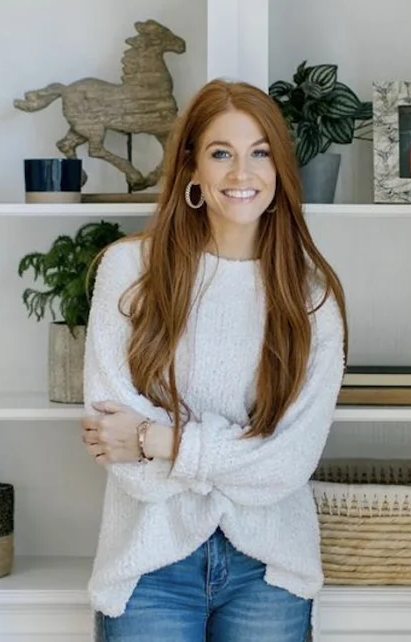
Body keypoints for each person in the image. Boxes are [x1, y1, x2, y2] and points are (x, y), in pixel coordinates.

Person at [78, 78, 349, 642]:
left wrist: (160, 440)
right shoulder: (130, 272)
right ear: (192, 169)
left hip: (269, 569)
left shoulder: (312, 297)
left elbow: (288, 463)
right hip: (149, 565)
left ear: (280, 172)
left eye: (260, 154)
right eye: (221, 153)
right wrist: (230, 455)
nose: (241, 174)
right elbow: (121, 453)